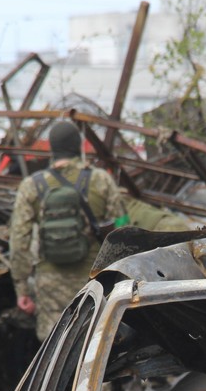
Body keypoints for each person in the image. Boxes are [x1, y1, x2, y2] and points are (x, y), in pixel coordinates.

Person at [8, 119, 129, 341]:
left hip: (50, 282)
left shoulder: (31, 186)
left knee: (54, 344)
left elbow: (18, 241)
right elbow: (124, 229)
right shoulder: (100, 180)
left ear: (52, 149)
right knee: (96, 342)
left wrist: (21, 289)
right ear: (79, 146)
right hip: (94, 281)